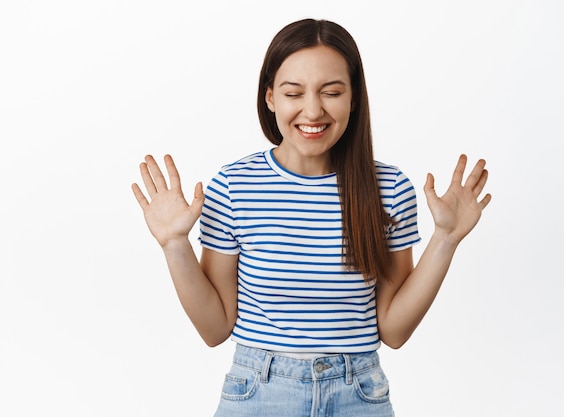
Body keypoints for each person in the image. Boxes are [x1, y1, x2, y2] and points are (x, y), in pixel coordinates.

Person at [132, 18, 491, 417]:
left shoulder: (388, 189)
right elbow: (215, 328)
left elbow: (393, 330)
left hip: (359, 394)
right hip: (259, 392)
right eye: (293, 92)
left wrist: (446, 238)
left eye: (332, 92)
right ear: (270, 98)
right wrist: (174, 244)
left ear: (354, 98)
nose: (313, 109)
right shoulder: (235, 187)